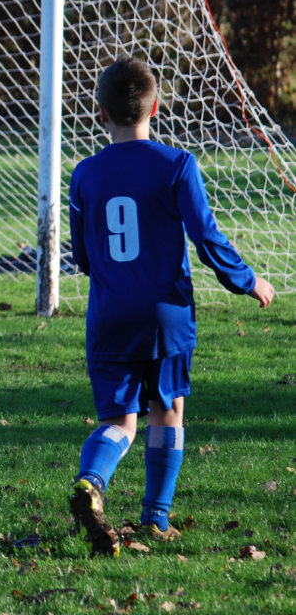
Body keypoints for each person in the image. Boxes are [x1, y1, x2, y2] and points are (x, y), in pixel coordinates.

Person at [67, 55, 275, 556]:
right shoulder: (177, 164)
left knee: (118, 420)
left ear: (100, 113)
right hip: (166, 313)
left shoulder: (85, 174)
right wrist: (247, 282)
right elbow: (205, 237)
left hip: (110, 314)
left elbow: (82, 255)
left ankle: (91, 482)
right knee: (168, 410)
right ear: (154, 107)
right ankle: (155, 520)